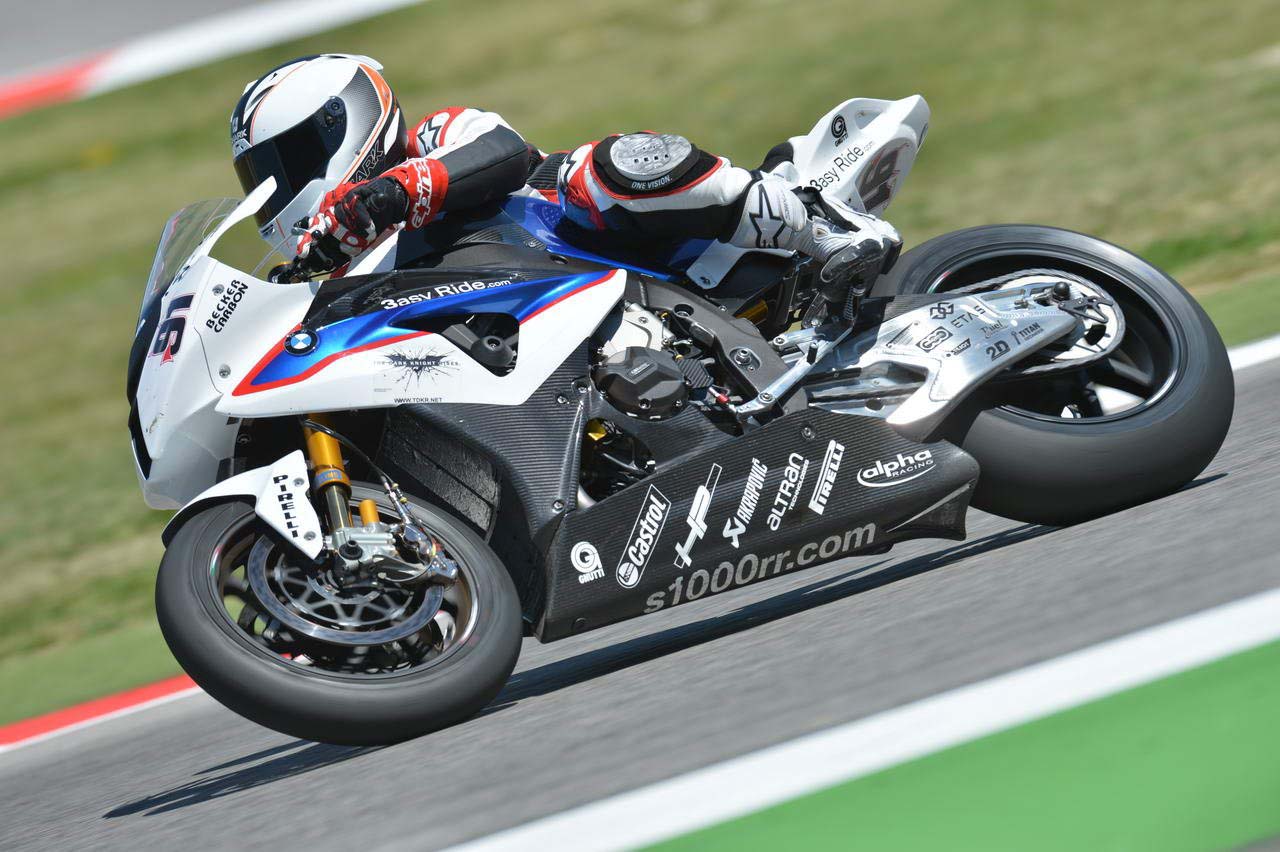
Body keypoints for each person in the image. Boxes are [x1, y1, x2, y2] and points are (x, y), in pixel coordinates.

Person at [230, 53, 899, 296]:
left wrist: (391, 194)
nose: (277, 190)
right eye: (261, 177)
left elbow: (504, 153)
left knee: (591, 173)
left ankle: (817, 222)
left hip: (632, 256)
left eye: (286, 165)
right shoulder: (338, 271)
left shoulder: (432, 138)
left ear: (344, 119)